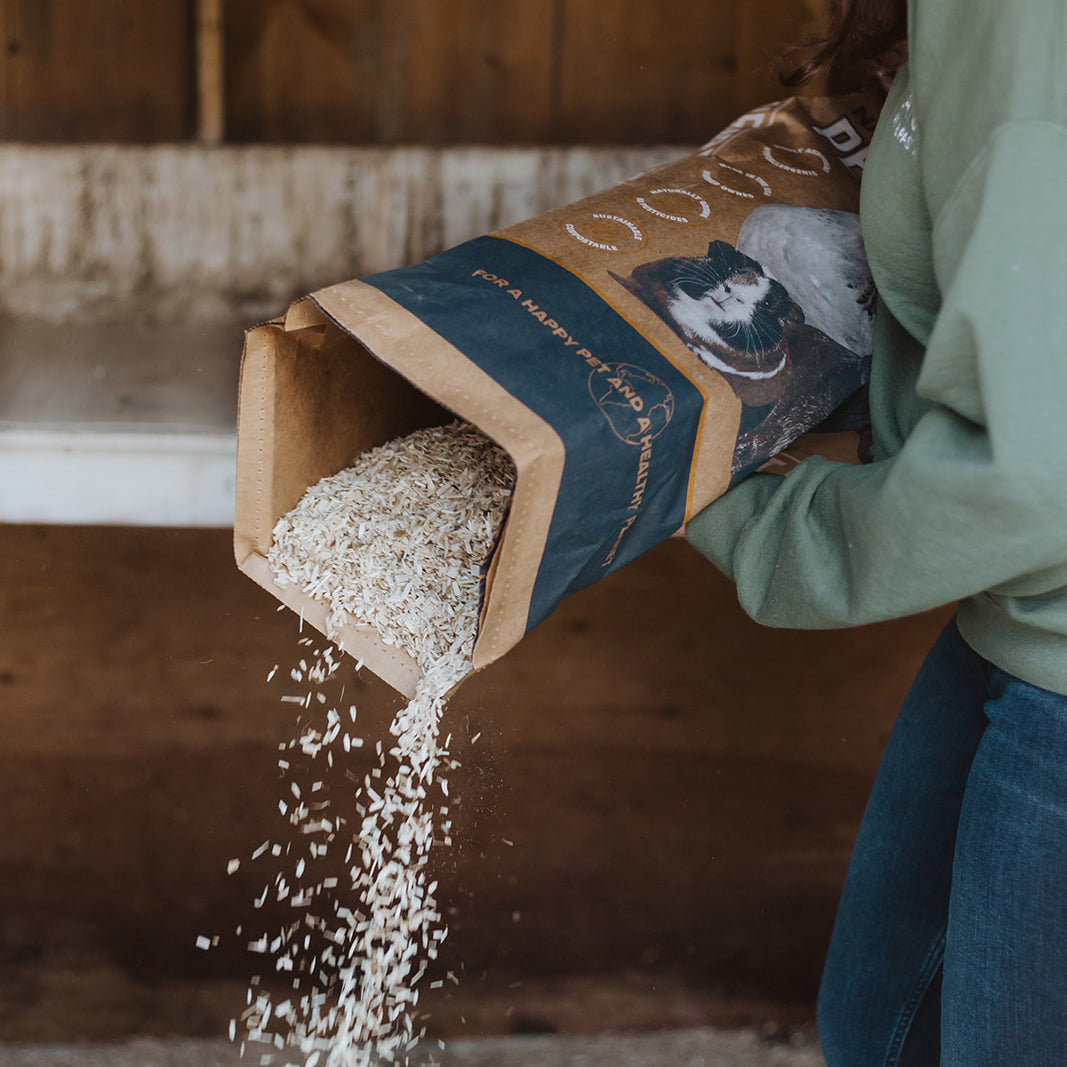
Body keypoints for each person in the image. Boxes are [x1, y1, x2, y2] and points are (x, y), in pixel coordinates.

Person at [684, 0, 1067, 1063]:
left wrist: (726, 505)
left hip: (1048, 608)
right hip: (1020, 610)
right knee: (884, 1026)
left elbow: (1034, 466)